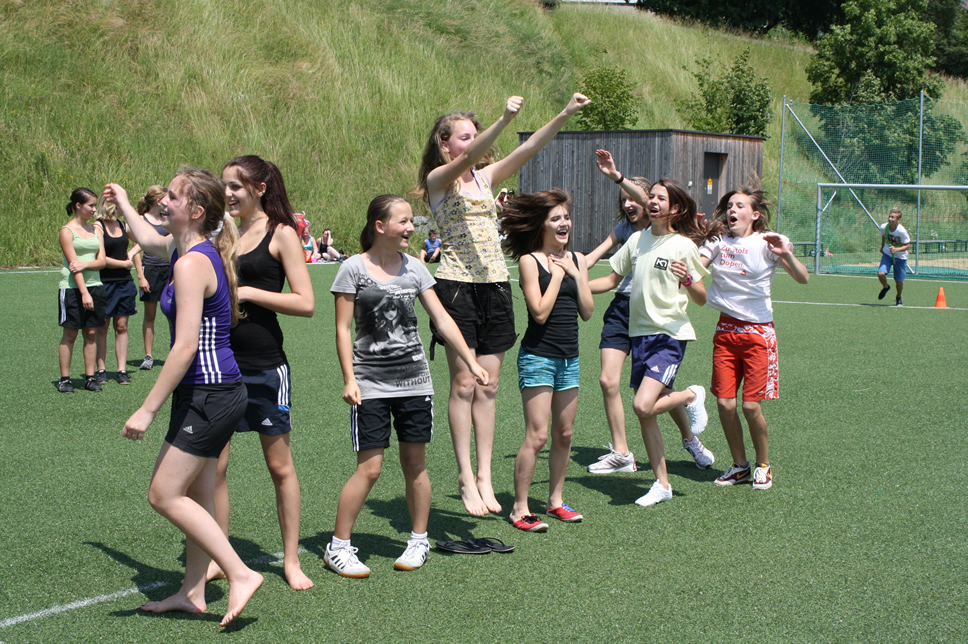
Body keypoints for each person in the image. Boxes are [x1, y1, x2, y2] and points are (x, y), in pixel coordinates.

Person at [415, 92, 590, 516]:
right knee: (463, 384)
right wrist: (503, 120)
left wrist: (564, 113)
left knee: (489, 387)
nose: (471, 142)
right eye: (463, 136)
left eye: (473, 135)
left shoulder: (485, 178)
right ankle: (464, 475)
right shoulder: (440, 180)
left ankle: (484, 476)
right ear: (444, 144)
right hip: (457, 287)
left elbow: (529, 150)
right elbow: (468, 157)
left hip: (495, 287)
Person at [104, 170, 262, 627]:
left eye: (172, 196)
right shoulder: (185, 250)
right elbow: (148, 238)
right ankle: (193, 591)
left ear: (195, 211)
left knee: (163, 493)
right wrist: (123, 201)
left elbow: (185, 346)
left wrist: (146, 409)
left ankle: (240, 572)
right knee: (197, 493)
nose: (164, 201)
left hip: (210, 393)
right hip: (209, 392)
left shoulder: (192, 263)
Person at [329, 194, 488, 577]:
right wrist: (349, 378)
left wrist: (470, 361)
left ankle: (418, 541)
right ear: (379, 226)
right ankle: (338, 547)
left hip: (415, 382)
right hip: (369, 384)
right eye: (402, 221)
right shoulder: (353, 268)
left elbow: (443, 319)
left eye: (411, 221)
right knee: (369, 469)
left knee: (415, 465)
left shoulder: (415, 268)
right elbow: (343, 328)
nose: (410, 228)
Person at [205, 155, 315, 590]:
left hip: (265, 365)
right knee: (214, 467)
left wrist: (249, 291)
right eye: (225, 185)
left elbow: (305, 303)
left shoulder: (281, 233)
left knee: (279, 466)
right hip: (220, 363)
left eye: (235, 186)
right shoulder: (223, 232)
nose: (227, 193)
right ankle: (220, 557)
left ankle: (290, 559)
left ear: (260, 188)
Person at [591, 150, 712, 508]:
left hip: (669, 336)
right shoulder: (636, 240)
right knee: (646, 413)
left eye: (661, 198)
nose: (653, 202)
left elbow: (701, 297)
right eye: (652, 197)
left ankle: (691, 395)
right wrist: (573, 283)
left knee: (643, 405)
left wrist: (687, 279)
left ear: (675, 208)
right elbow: (611, 280)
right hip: (639, 335)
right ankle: (662, 484)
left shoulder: (683, 245)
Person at [699, 187, 809, 491]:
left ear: (755, 214)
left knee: (750, 407)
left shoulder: (768, 242)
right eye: (729, 206)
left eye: (739, 205)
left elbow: (803, 278)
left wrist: (786, 254)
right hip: (725, 332)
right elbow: (696, 268)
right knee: (725, 404)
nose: (732, 210)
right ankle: (740, 465)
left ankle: (763, 464)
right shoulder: (718, 241)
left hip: (758, 335)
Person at [501, 190, 593, 532]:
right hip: (538, 357)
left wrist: (576, 274)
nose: (564, 223)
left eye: (566, 217)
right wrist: (556, 275)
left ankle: (555, 501)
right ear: (542, 225)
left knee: (565, 433)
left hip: (569, 359)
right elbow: (539, 312)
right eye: (555, 218)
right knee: (538, 435)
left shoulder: (577, 259)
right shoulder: (530, 261)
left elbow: (587, 311)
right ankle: (520, 508)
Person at [57, 188, 106, 393]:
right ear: (78, 205)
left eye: (95, 205)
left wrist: (86, 265)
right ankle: (65, 380)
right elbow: (73, 266)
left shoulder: (96, 230)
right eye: (91, 205)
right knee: (70, 334)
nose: (94, 209)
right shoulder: (67, 231)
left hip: (96, 286)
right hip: (72, 289)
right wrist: (84, 292)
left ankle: (90, 377)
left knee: (92, 333)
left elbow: (102, 261)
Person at [94, 195, 140, 385]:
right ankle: (101, 369)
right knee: (102, 327)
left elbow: (142, 240)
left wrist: (131, 253)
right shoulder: (98, 226)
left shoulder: (122, 225)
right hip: (104, 282)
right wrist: (124, 264)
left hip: (124, 283)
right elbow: (101, 258)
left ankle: (121, 370)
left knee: (121, 326)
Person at [134, 185, 170, 371]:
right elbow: (136, 251)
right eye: (166, 198)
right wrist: (141, 277)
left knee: (173, 313)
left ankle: (175, 352)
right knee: (150, 315)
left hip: (170, 269)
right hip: (151, 271)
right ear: (158, 200)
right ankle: (148, 356)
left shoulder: (168, 217)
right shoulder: (141, 220)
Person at [876, 208, 910, 306]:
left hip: (900, 257)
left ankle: (898, 297)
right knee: (881, 273)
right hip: (887, 254)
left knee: (898, 281)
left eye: (893, 217)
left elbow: (907, 246)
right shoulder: (884, 227)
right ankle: (885, 287)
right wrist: (882, 247)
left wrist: (896, 249)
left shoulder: (902, 231)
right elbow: (884, 236)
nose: (890, 219)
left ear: (898, 219)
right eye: (889, 216)